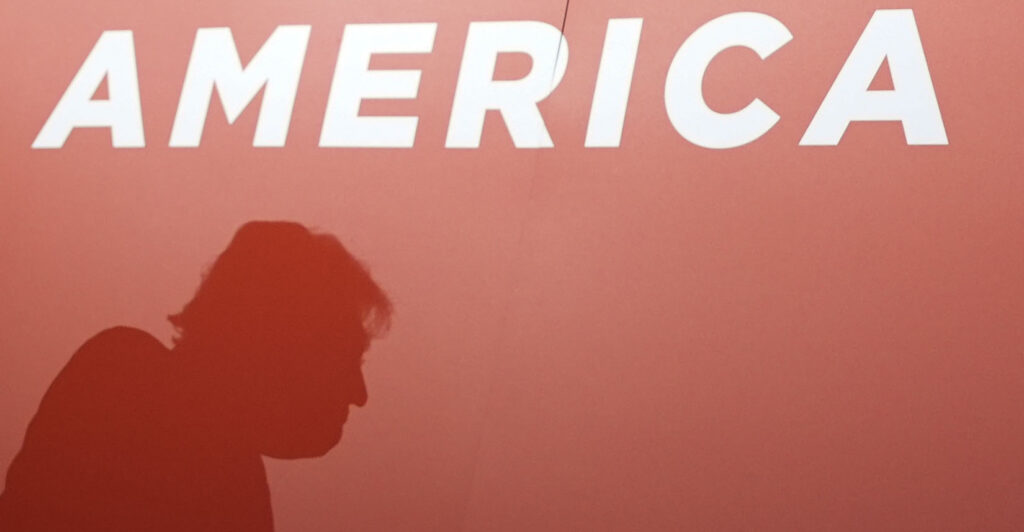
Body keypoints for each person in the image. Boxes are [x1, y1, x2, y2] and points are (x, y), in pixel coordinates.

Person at [0, 221, 392, 531]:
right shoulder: (127, 382)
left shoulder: (228, 468)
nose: (358, 394)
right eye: (343, 358)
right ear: (276, 345)